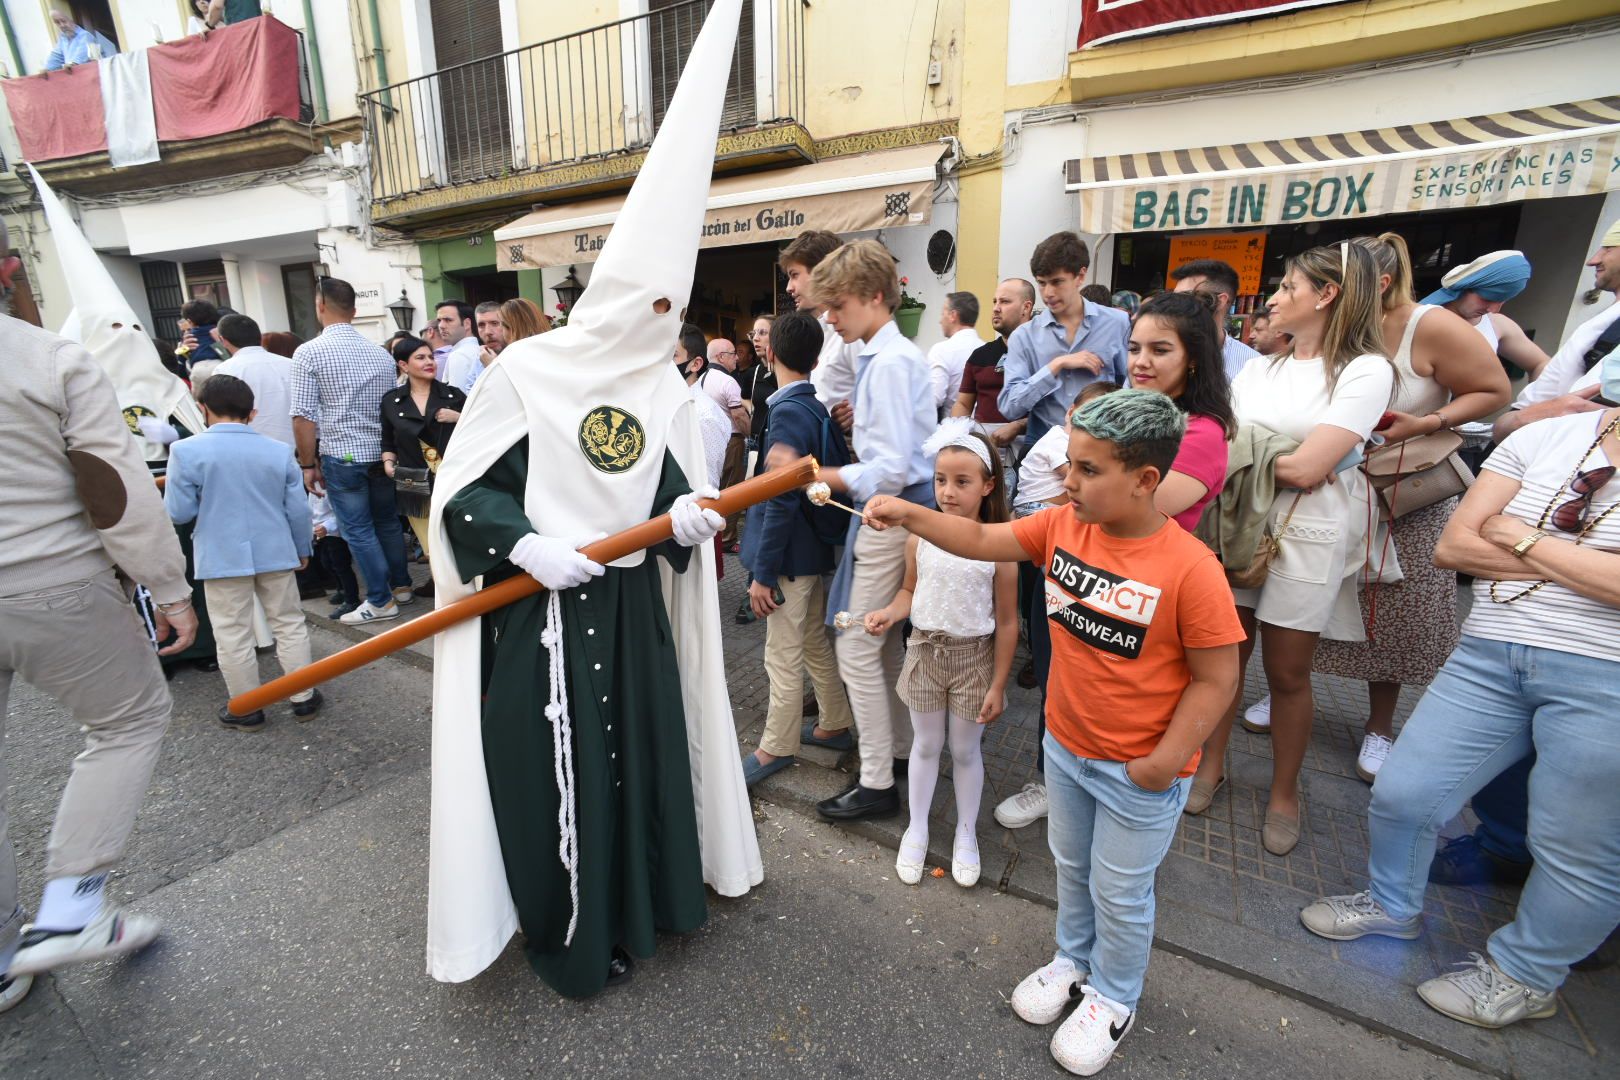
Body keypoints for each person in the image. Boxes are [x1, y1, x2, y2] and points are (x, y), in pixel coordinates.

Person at [422, 0, 761, 996]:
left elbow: (657, 485)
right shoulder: (522, 376)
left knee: (640, 759)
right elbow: (467, 494)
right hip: (538, 619)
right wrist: (526, 545)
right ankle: (572, 934)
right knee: (559, 776)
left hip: (624, 610)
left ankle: (645, 910)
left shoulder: (658, 387)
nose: (661, 329)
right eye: (648, 308)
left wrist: (688, 519)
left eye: (674, 312)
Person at [863, 389, 1243, 1076]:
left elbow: (1218, 678)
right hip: (1066, 749)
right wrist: (911, 511)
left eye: (1089, 470)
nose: (1068, 482)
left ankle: (1114, 996)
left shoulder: (1192, 570)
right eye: (1070, 464)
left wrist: (1162, 763)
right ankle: (1072, 959)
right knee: (1073, 867)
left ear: (1145, 480)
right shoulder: (1063, 527)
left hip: (1139, 770)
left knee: (1121, 889)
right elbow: (979, 537)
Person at [1300, 403, 1620, 1031]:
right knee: (1405, 791)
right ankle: (1393, 906)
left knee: (1575, 846)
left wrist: (1518, 534)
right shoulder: (1552, 435)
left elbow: (1491, 536)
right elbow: (1454, 546)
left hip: (1606, 672)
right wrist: (1584, 569)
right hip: (1490, 653)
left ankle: (1526, 975)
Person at [0, 296, 197, 1007]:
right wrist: (170, 586)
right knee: (129, 720)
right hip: (47, 577)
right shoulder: (47, 357)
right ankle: (74, 905)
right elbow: (114, 490)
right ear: (8, 267)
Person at [1185, 242, 1395, 856]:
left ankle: (1284, 791)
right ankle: (1209, 764)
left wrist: (1253, 455)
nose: (1273, 297)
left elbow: (1304, 470)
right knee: (1224, 662)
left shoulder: (1365, 370)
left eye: (1288, 286)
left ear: (1327, 296)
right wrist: (1281, 457)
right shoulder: (1260, 369)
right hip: (1237, 529)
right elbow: (1239, 452)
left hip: (1311, 534)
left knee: (1287, 672)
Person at [1307, 234, 1510, 783]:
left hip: (1406, 492)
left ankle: (1378, 727)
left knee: (1395, 612)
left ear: (1382, 283)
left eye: (1339, 286)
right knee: (1313, 598)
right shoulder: (1334, 326)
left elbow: (1494, 389)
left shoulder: (1432, 326)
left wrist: (1430, 422)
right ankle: (1287, 695)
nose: (1328, 296)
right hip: (1336, 488)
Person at [790, 239, 936, 823]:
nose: (829, 317)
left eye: (839, 306)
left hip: (889, 510)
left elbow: (893, 468)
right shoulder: (879, 354)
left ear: (875, 298)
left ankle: (877, 782)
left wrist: (819, 473)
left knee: (856, 645)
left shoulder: (892, 362)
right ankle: (894, 756)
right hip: (887, 511)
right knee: (874, 647)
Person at [874, 421, 1018, 888]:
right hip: (924, 653)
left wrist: (999, 683)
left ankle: (965, 833)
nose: (948, 492)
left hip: (974, 658)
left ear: (988, 485)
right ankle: (916, 828)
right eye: (940, 480)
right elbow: (909, 591)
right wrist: (889, 613)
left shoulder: (1001, 546)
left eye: (962, 481)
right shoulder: (919, 536)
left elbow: (1009, 621)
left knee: (964, 749)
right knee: (926, 745)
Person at [163, 374, 319, 729]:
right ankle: (303, 697)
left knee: (232, 632)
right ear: (253, 412)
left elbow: (179, 512)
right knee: (289, 623)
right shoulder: (279, 450)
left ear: (203, 408)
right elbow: (298, 509)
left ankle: (248, 706)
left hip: (220, 554)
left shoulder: (185, 451)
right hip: (276, 548)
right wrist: (301, 546)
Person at [739, 310, 855, 784]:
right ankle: (833, 722)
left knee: (781, 653)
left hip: (786, 557)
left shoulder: (787, 410)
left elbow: (780, 500)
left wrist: (762, 573)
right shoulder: (813, 405)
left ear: (770, 352)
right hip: (811, 552)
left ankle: (776, 747)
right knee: (810, 641)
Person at [291, 276, 415, 624]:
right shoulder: (379, 354)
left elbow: (303, 417)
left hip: (343, 455)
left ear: (319, 307)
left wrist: (305, 464)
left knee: (358, 530)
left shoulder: (309, 352)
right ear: (354, 311)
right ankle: (401, 588)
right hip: (381, 452)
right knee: (388, 523)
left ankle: (379, 600)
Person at [999, 231, 1130, 448]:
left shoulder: (1116, 323)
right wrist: (1055, 366)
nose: (1048, 292)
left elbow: (1129, 387)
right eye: (1042, 283)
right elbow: (1010, 406)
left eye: (1057, 282)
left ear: (1080, 276)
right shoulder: (1024, 336)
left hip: (1101, 445)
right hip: (1042, 448)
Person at [1494, 222, 1620, 442]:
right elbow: (1515, 420)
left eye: (1608, 249)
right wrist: (1521, 419)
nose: (1594, 260)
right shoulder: (1602, 325)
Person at [381, 335, 464, 581]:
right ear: (403, 365)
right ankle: (445, 596)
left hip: (453, 481)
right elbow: (387, 439)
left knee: (458, 543)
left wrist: (457, 417)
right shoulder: (391, 401)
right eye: (420, 358)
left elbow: (481, 430)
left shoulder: (453, 396)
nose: (429, 362)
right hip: (413, 484)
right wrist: (388, 464)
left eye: (431, 356)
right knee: (432, 550)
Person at [1422, 250, 1550, 379]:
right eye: (1487, 299)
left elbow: (1541, 364)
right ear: (1466, 287)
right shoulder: (1422, 318)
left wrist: (1535, 397)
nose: (1493, 310)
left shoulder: (1499, 325)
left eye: (1501, 301)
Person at [780, 230, 857, 432]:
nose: (789, 287)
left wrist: (854, 419)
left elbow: (883, 403)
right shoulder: (822, 329)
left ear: (822, 271)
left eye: (794, 275)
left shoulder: (852, 334)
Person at [952, 279, 1035, 461]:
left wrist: (1018, 426)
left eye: (1004, 302)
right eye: (994, 301)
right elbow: (963, 404)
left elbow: (1055, 411)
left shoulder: (1043, 354)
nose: (996, 308)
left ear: (1026, 307)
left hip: (1031, 453)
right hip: (985, 451)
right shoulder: (980, 355)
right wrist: (955, 437)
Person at [1171, 258, 1261, 380]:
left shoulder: (1253, 365)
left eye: (1185, 296)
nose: (1172, 304)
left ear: (1219, 301)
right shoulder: (1160, 352)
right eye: (1172, 297)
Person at [213, 313, 294, 446]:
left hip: (250, 448)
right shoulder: (291, 364)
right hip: (295, 448)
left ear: (223, 340)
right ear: (260, 337)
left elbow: (223, 418)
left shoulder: (224, 370)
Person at [706, 337, 751, 547]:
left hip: (707, 439)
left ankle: (712, 537)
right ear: (721, 357)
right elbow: (739, 416)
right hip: (732, 440)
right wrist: (750, 433)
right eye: (733, 353)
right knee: (732, 489)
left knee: (713, 487)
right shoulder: (728, 381)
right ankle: (727, 538)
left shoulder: (701, 379)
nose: (736, 358)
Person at [928, 292, 984, 415]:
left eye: (942, 314)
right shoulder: (986, 349)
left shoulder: (941, 350)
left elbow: (933, 398)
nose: (940, 320)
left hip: (951, 428)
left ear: (953, 315)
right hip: (982, 430)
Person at [310, 491, 359, 619]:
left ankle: (351, 599)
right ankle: (341, 589)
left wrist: (327, 526)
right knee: (327, 563)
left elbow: (339, 511)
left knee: (341, 565)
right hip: (322, 532)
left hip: (335, 532)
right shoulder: (311, 485)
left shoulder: (328, 485)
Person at [43, 9, 117, 70]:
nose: (62, 25)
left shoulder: (85, 36)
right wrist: (46, 69)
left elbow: (81, 55)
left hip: (90, 76)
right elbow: (56, 56)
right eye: (57, 23)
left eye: (64, 21)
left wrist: (72, 64)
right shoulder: (63, 39)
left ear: (71, 20)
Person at [435, 300, 482, 393]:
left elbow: (459, 401)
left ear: (467, 324)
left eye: (448, 320)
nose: (441, 325)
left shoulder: (459, 355)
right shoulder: (478, 350)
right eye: (439, 320)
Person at [178, 299, 223, 368]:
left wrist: (182, 349)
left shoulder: (189, 337)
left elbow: (181, 364)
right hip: (224, 367)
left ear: (189, 321)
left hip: (197, 372)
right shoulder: (224, 330)